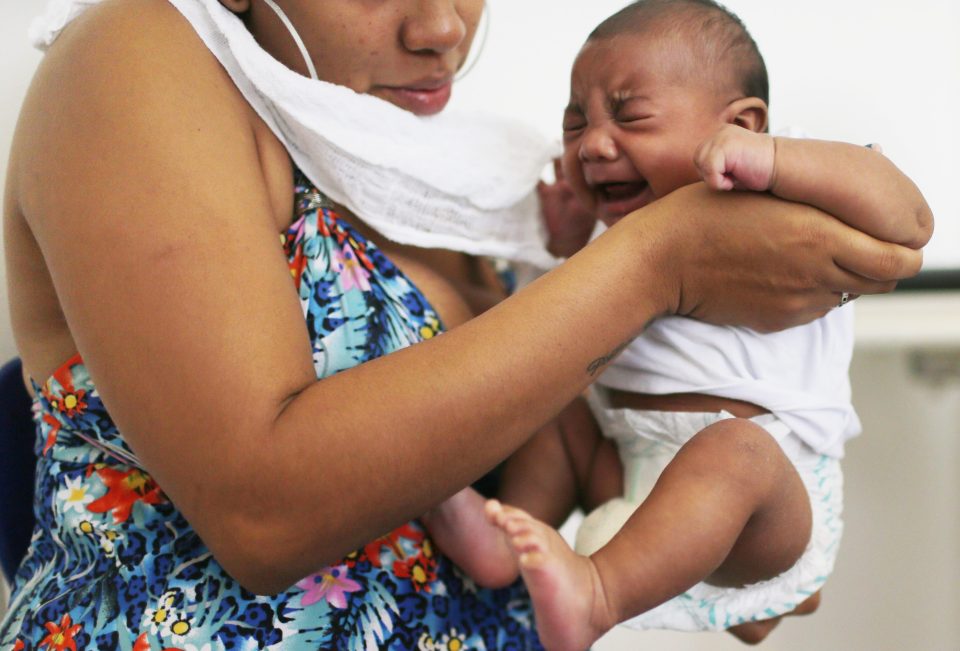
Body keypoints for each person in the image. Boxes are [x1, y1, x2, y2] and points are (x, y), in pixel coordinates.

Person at [0, 0, 927, 649]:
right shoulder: (131, 56)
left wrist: (691, 539)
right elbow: (262, 512)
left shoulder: (457, 177)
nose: (441, 27)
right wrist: (659, 259)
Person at [422, 1, 934, 649]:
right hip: (627, 477)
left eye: (630, 116)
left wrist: (773, 159)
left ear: (742, 125)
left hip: (767, 499)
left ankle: (597, 594)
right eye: (575, 124)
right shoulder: (611, 244)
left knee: (738, 452)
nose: (594, 144)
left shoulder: (785, 194)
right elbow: (552, 332)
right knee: (552, 406)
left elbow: (909, 218)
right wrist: (560, 247)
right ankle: (505, 541)